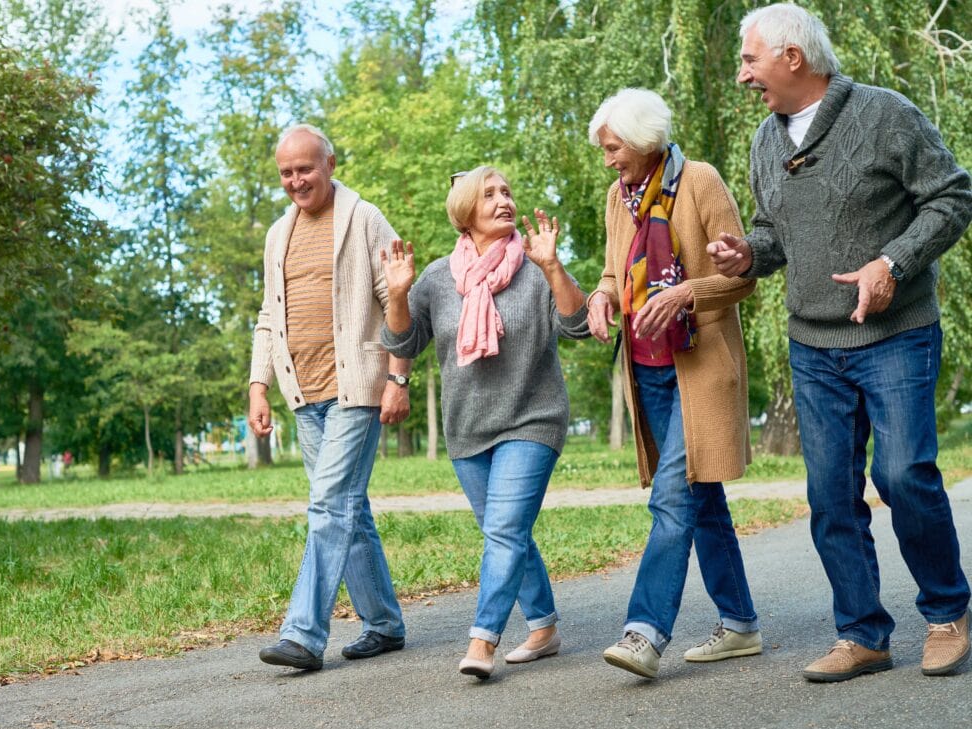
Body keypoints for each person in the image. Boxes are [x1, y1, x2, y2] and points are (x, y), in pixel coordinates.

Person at [708, 3, 972, 682]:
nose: (743, 76)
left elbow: (952, 197)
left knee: (904, 475)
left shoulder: (886, 115)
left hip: (896, 334)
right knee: (830, 494)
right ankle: (862, 634)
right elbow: (774, 237)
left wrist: (893, 263)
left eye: (749, 60)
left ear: (792, 59)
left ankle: (946, 613)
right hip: (813, 344)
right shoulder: (767, 140)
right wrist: (747, 255)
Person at [380, 166, 590, 679]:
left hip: (532, 418)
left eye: (508, 192)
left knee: (503, 530)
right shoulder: (435, 278)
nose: (504, 200)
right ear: (465, 212)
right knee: (507, 532)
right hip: (468, 427)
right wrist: (400, 296)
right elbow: (404, 345)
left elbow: (579, 325)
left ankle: (483, 640)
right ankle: (543, 627)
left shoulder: (537, 264)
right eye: (490, 194)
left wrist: (555, 269)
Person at [586, 89, 762, 680]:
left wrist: (687, 291)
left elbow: (743, 277)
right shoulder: (619, 197)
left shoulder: (701, 181)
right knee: (700, 496)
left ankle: (644, 632)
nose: (608, 159)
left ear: (642, 140)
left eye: (613, 148)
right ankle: (739, 624)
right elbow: (615, 270)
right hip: (649, 371)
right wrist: (602, 295)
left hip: (701, 368)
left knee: (671, 499)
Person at [249, 124, 411, 673]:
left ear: (331, 163)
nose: (296, 180)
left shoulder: (364, 218)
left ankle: (302, 634)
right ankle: (385, 624)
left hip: (356, 388)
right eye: (286, 173)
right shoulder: (278, 234)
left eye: (305, 169)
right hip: (304, 393)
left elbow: (397, 296)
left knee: (328, 505)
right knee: (350, 510)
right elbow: (269, 317)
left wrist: (399, 378)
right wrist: (258, 386)